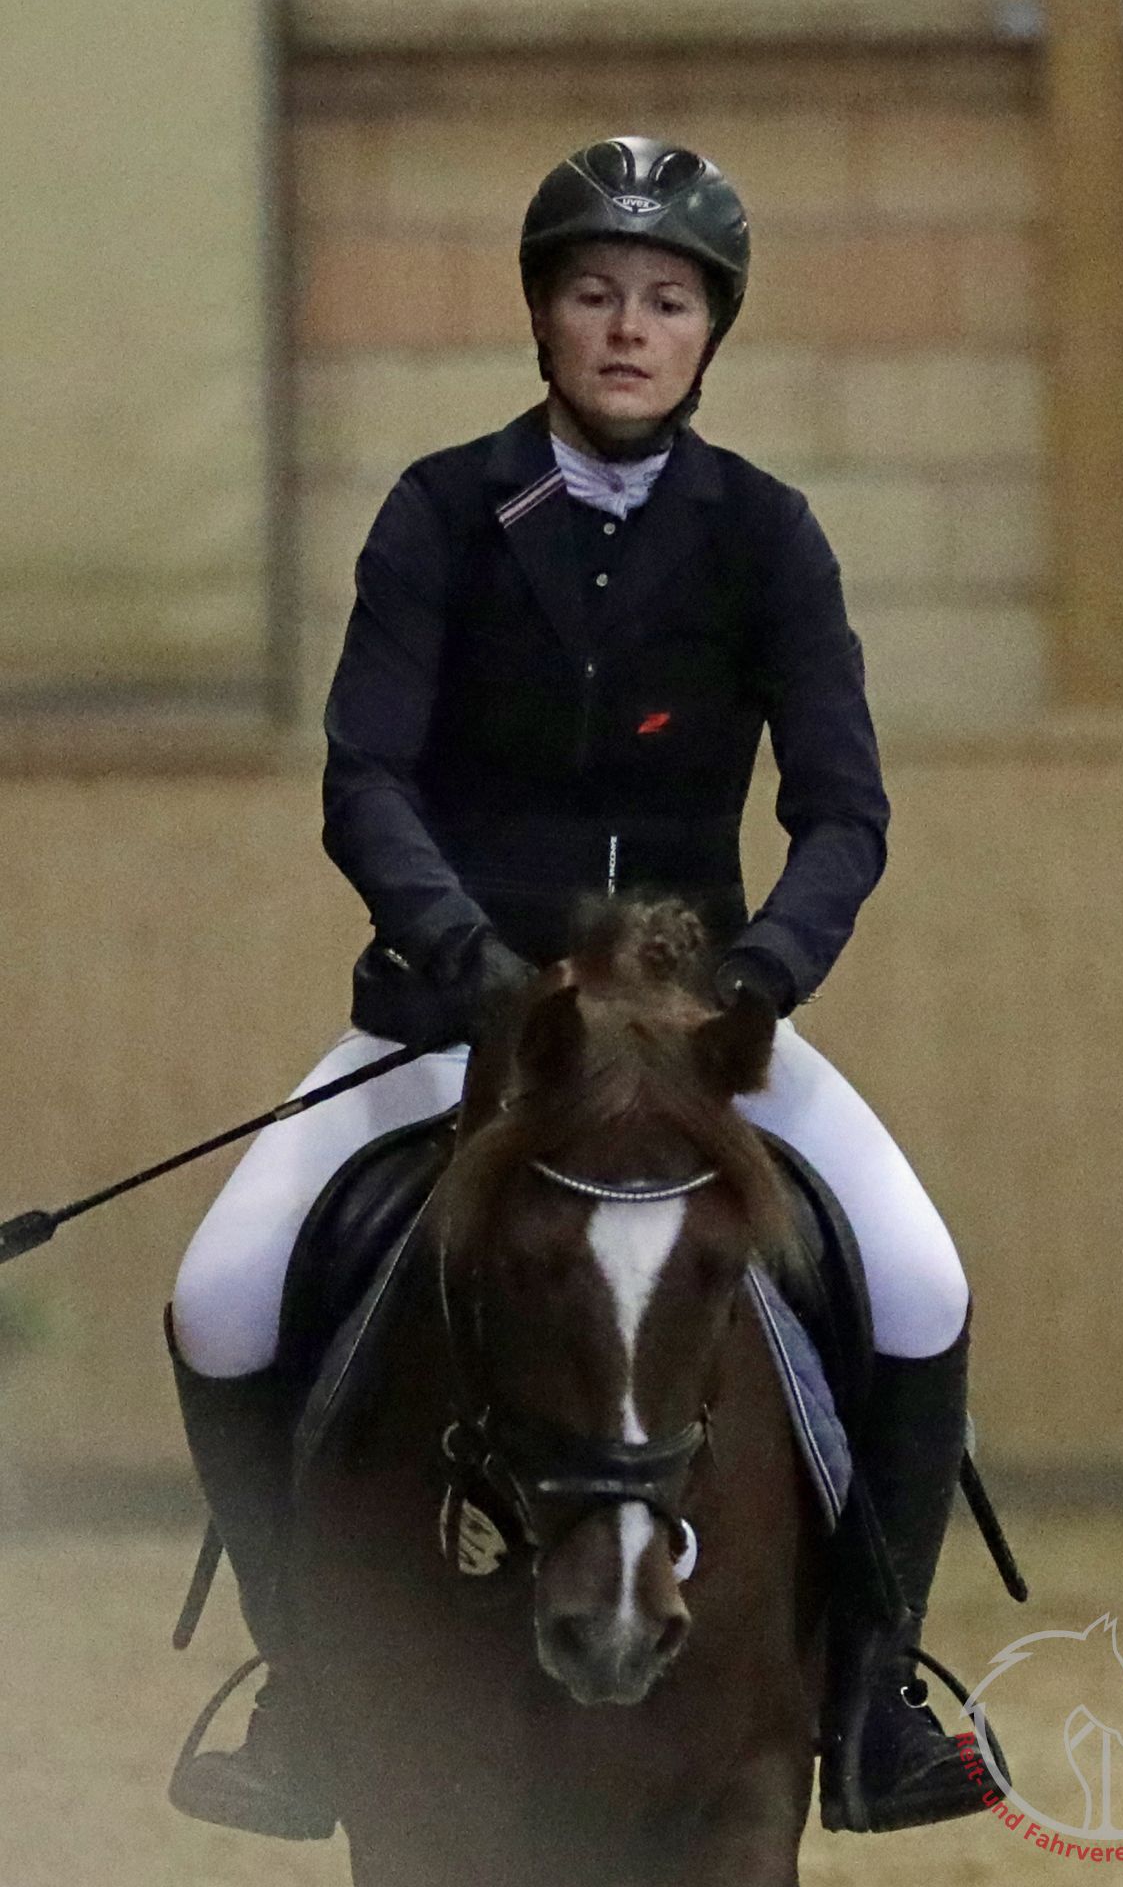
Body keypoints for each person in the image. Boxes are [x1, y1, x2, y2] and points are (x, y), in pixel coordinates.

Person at [168, 136, 985, 1840]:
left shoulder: (766, 534)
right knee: (222, 1295)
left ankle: (875, 1697)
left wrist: (760, 977)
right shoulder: (442, 513)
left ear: (709, 333)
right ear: (543, 316)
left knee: (920, 1279)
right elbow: (365, 780)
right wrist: (471, 964)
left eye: (667, 301)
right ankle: (306, 1691)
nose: (629, 327)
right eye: (596, 293)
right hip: (453, 1022)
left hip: (698, 1042)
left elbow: (844, 811)